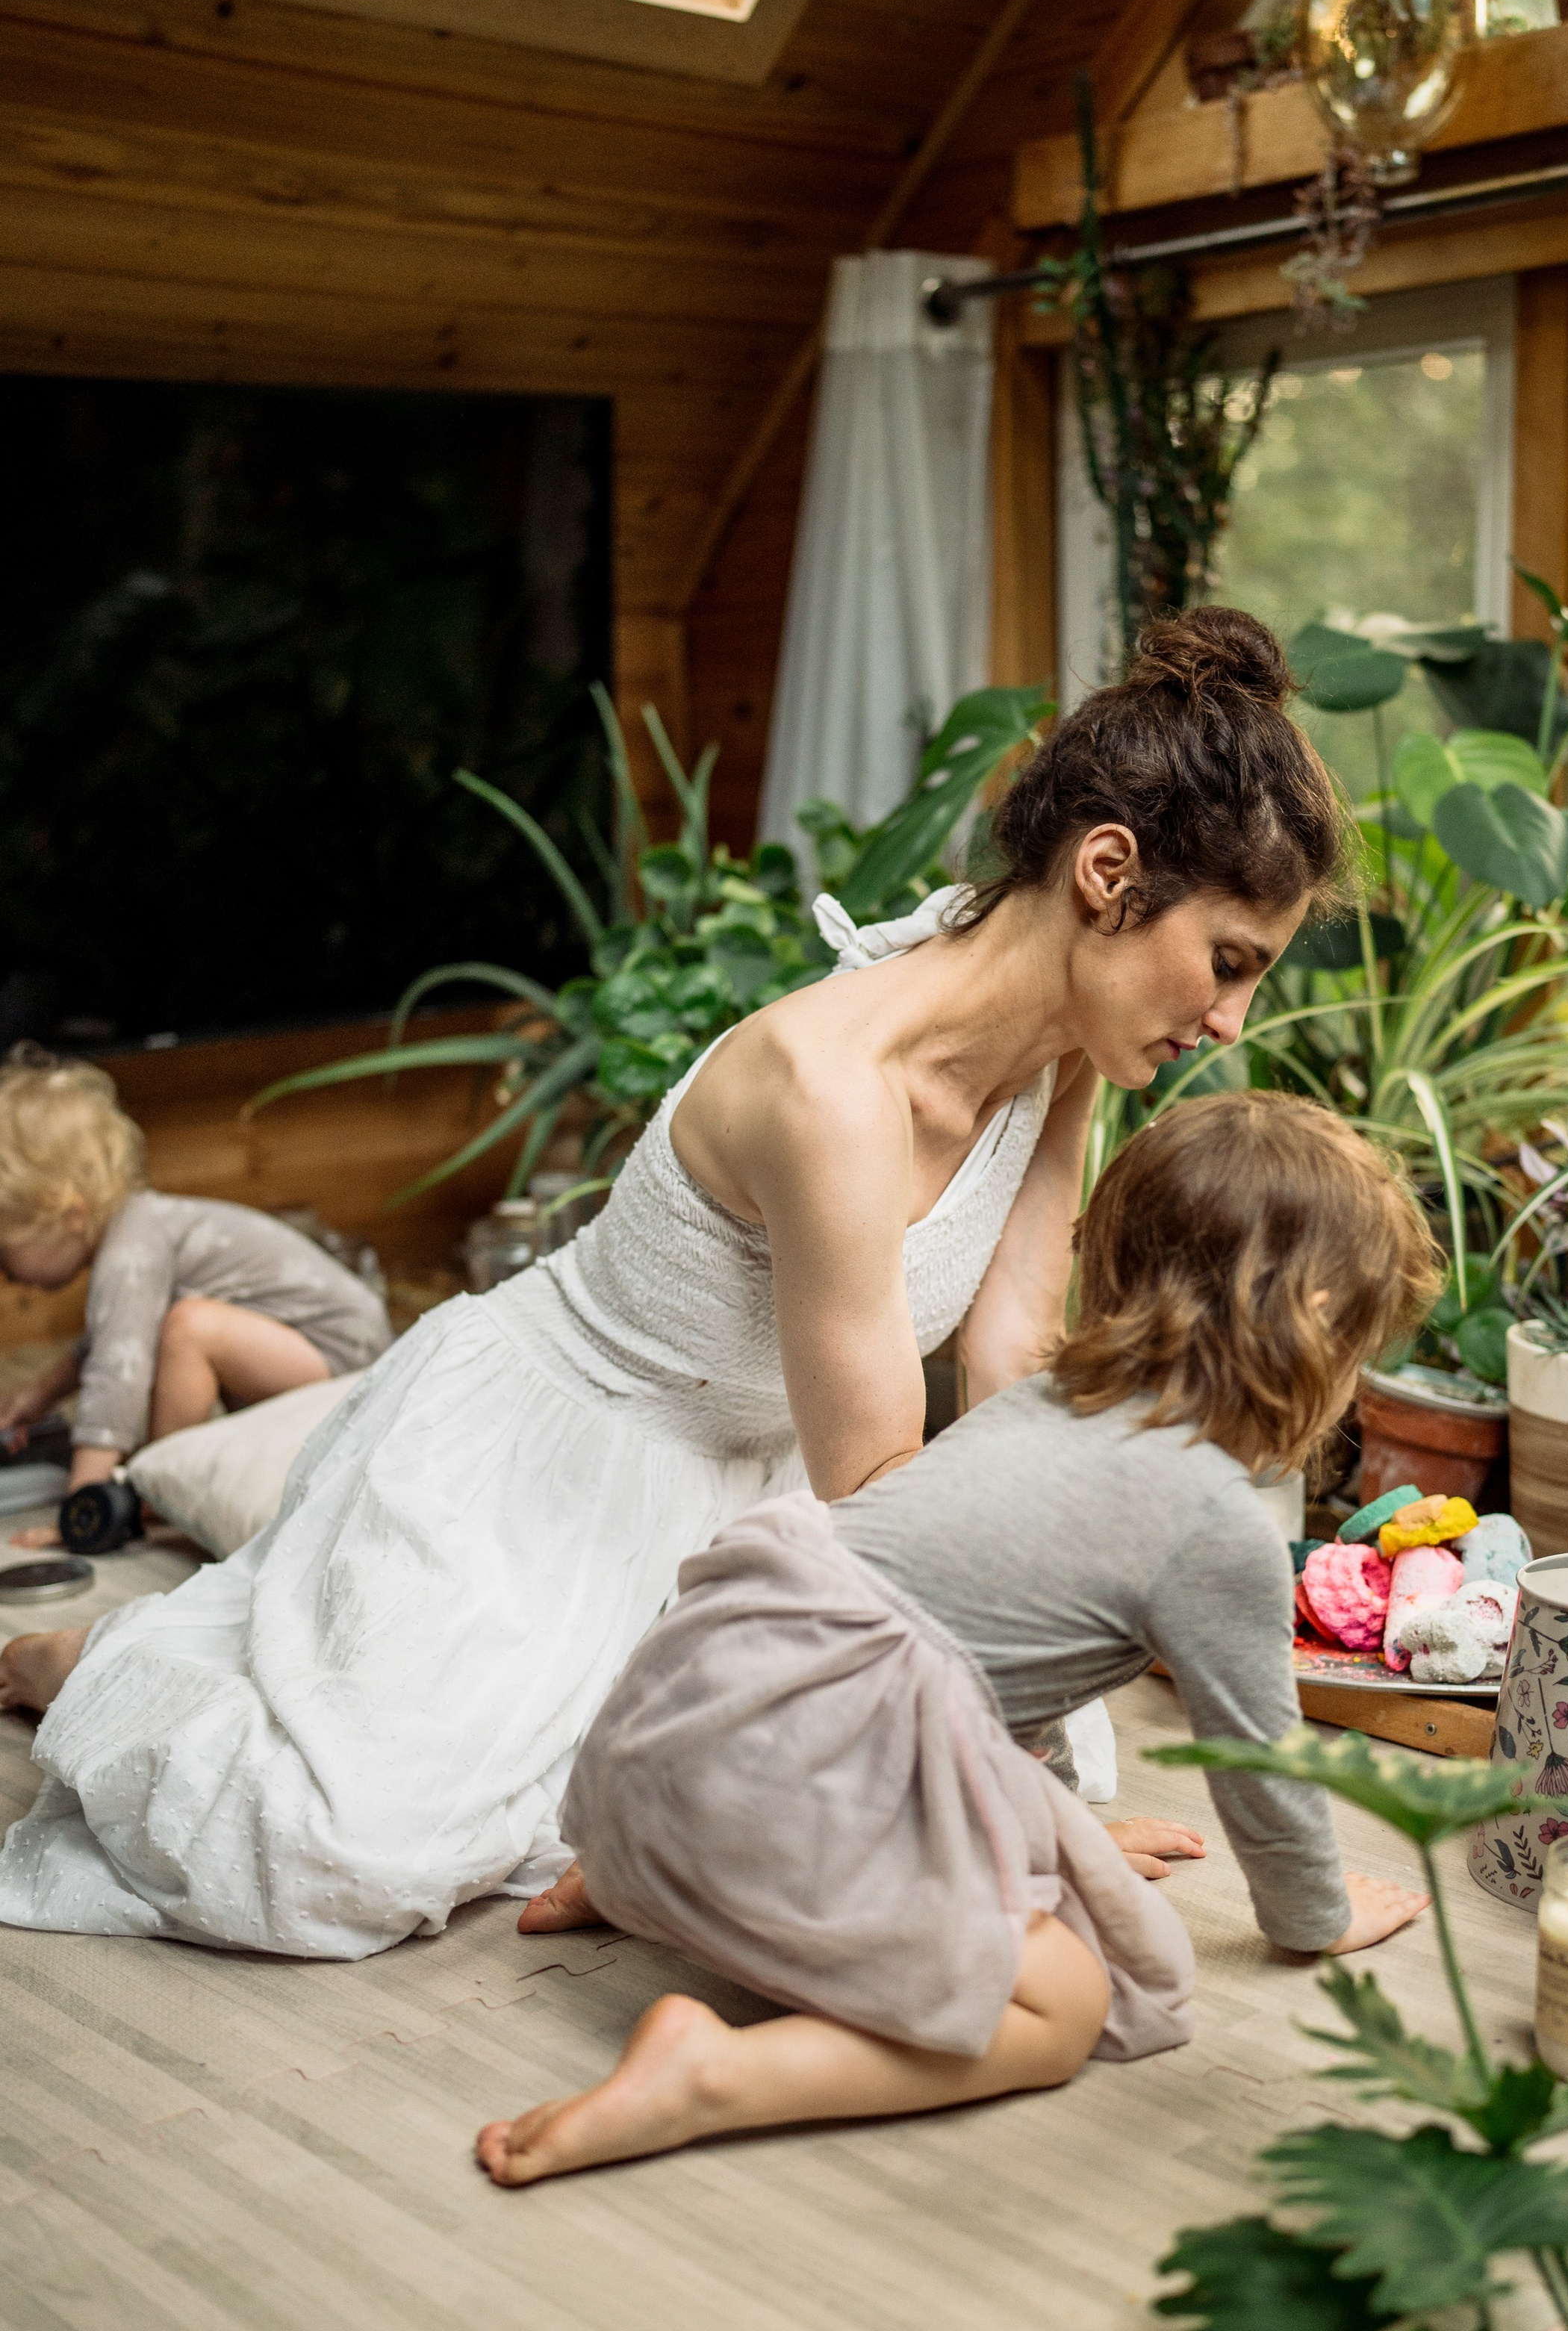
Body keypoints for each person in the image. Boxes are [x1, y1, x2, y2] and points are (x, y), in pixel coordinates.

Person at [0, 607, 1347, 1959]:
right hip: (559, 1465)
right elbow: (885, 1506)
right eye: (1228, 962)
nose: (1230, 1020)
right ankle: (90, 1671)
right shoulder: (831, 1091)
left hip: (763, 1487)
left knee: (728, 1796)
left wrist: (1045, 1740)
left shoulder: (1067, 1053)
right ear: (1108, 872)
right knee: (337, 1859)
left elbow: (1008, 1364)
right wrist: (1019, 1822)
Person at [476, 1092, 1440, 2187]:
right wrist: (1316, 1918)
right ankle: (712, 2074)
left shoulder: (1035, 1409)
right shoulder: (1213, 1522)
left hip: (672, 1746)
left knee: (831, 1783)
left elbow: (951, 1674)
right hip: (787, 1788)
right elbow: (1262, 1773)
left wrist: (1053, 1835)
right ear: (1314, 1323)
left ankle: (627, 1878)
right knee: (1062, 2002)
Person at [0, 1054, 390, 1546]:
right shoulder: (137, 1233)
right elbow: (108, 1339)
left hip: (348, 1363)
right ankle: (160, 1482)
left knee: (188, 1327)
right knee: (171, 1329)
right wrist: (37, 1395)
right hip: (325, 1356)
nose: (7, 1275)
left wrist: (83, 1503)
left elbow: (114, 1377)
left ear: (71, 1215)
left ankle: (160, 1492)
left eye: (5, 1249)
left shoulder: (132, 1248)